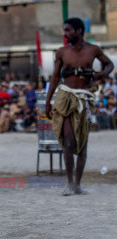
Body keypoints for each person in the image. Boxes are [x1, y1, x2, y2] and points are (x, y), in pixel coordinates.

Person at [45, 18, 113, 196]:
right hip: (66, 97)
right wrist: (47, 102)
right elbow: (54, 78)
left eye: (68, 30)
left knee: (82, 144)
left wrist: (103, 73)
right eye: (64, 30)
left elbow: (110, 64)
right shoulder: (62, 52)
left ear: (79, 31)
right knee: (68, 142)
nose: (65, 34)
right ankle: (70, 183)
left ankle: (78, 184)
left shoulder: (93, 49)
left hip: (85, 98)